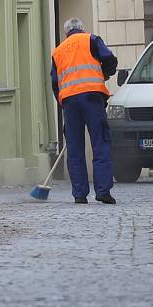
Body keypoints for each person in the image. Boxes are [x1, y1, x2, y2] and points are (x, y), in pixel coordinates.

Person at [51, 18, 118, 204]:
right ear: (81, 29)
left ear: (67, 33)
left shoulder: (58, 51)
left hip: (70, 102)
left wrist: (63, 101)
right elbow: (110, 59)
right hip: (92, 98)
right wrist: (105, 74)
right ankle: (103, 191)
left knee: (74, 148)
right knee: (100, 143)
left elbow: (55, 83)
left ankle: (79, 194)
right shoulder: (92, 39)